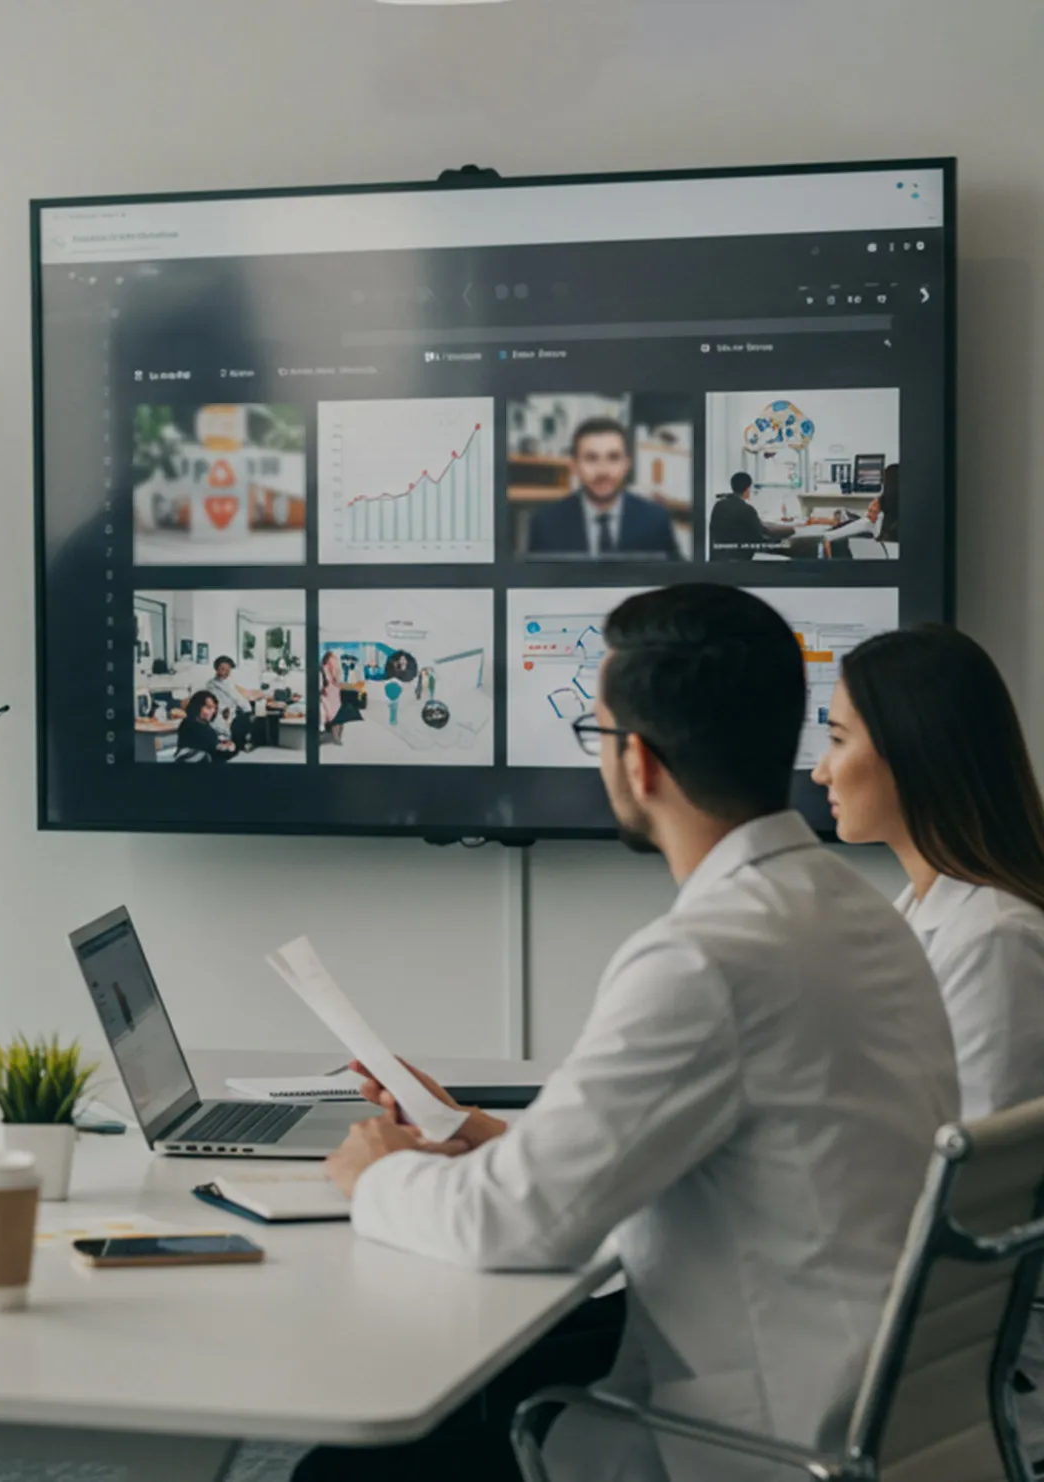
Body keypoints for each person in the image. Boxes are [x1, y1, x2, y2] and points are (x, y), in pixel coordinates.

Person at [301, 584, 957, 1482]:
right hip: (882, 1411)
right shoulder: (858, 911)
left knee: (348, 1471)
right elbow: (708, 1149)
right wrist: (484, 1137)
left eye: (597, 737)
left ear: (638, 763)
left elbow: (517, 1225)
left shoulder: (705, 959)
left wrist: (380, 1175)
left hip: (765, 1441)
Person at [812, 624, 1044, 1449]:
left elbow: (965, 1201)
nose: (818, 770)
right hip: (902, 1321)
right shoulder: (928, 915)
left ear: (914, 751)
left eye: (837, 740)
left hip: (956, 1357)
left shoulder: (995, 939)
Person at [522, 417, 683, 559]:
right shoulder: (546, 524)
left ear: (626, 464)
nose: (603, 471)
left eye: (613, 458)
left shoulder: (655, 520)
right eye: (591, 458)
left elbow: (677, 584)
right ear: (574, 465)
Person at [706, 470, 791, 559]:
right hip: (739, 563)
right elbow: (762, 535)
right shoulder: (747, 509)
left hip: (718, 560)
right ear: (748, 488)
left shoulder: (719, 505)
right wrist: (791, 530)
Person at [174, 690, 233, 761]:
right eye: (208, 707)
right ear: (197, 707)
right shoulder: (193, 726)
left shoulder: (195, 722)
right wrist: (226, 746)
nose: (213, 711)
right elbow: (213, 747)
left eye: (214, 708)